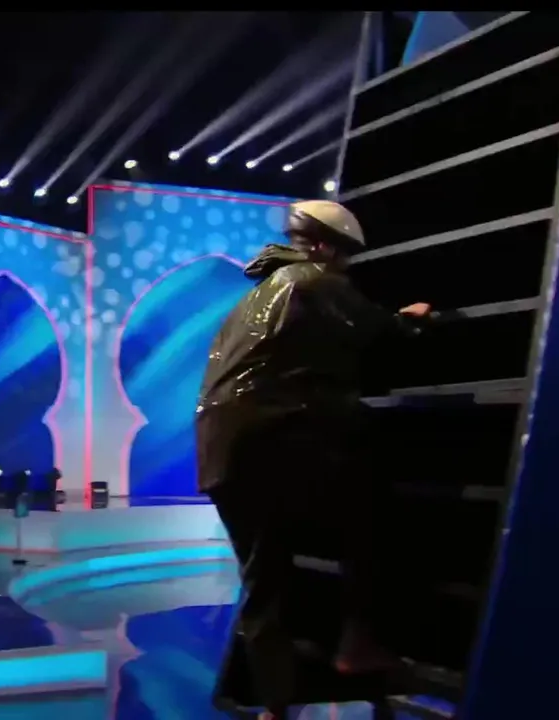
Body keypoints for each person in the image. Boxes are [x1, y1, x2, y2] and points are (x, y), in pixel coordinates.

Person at [197, 200, 452, 717]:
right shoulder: (312, 279)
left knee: (263, 581)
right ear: (324, 247)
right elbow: (375, 329)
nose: (345, 268)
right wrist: (413, 319)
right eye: (345, 257)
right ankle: (357, 641)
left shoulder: (253, 298)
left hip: (221, 454)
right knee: (369, 514)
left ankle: (274, 705)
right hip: (271, 447)